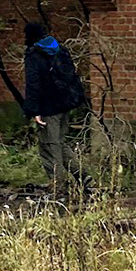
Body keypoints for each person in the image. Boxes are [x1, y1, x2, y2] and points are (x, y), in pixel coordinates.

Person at [21, 21, 89, 186]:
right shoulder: (60, 49)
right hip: (65, 103)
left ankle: (57, 184)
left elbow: (33, 84)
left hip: (48, 107)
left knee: (49, 145)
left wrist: (34, 110)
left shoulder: (34, 55)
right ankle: (84, 177)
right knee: (59, 142)